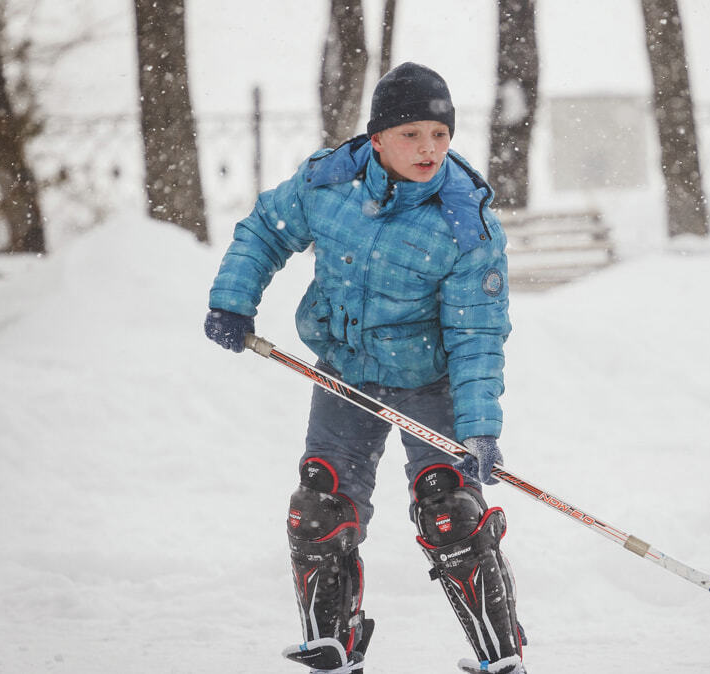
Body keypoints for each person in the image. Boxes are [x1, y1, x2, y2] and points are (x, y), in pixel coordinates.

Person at [204, 62, 526, 674]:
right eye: (411, 134)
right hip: (346, 373)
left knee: (449, 510)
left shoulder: (466, 223)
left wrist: (480, 427)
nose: (428, 149)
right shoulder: (329, 183)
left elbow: (477, 333)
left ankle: (500, 653)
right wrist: (233, 300)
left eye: (439, 133)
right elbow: (265, 232)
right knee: (319, 504)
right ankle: (332, 644)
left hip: (428, 381)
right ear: (376, 138)